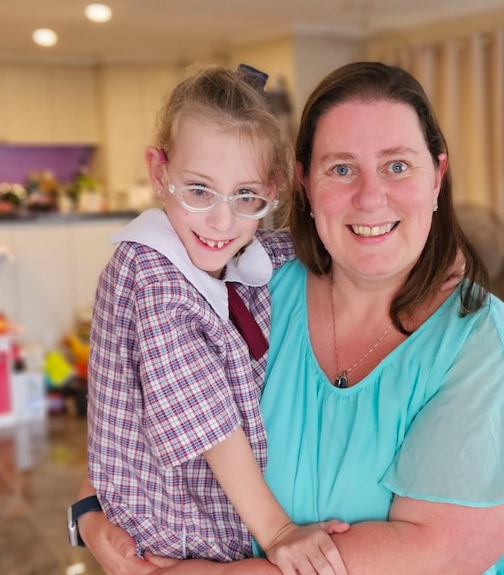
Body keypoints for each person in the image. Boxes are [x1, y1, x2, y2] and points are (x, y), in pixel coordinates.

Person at [77, 61, 504, 574]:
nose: (370, 197)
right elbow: (139, 404)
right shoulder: (257, 283)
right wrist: (89, 512)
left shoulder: (482, 346)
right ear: (302, 184)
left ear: (437, 177)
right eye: (341, 168)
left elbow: (429, 558)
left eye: (398, 165)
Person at [82, 65, 351, 575]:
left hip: (214, 527)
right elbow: (206, 418)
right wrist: (279, 532)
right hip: (173, 533)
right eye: (199, 190)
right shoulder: (149, 270)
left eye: (246, 196)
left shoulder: (230, 251)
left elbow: (279, 247)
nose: (222, 222)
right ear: (159, 172)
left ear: (271, 191)